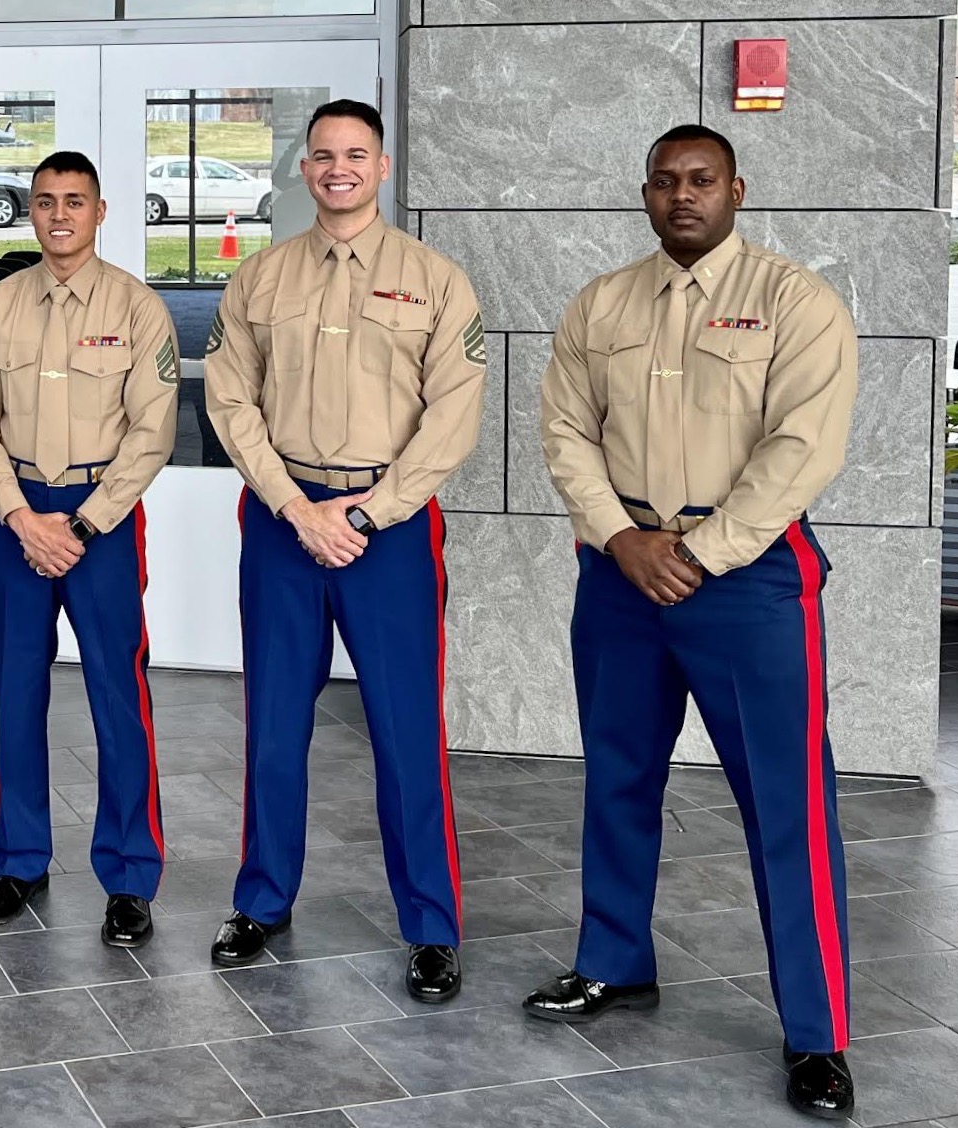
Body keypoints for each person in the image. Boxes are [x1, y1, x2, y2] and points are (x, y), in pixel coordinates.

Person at [529, 124, 858, 1120]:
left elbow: (802, 447)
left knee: (785, 806)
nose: (683, 197)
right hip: (620, 572)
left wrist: (699, 555)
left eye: (701, 181)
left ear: (734, 189)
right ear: (643, 194)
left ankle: (815, 1033)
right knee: (617, 779)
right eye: (665, 182)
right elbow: (561, 430)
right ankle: (612, 961)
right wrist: (617, 537)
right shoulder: (602, 304)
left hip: (747, 579)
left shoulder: (794, 303)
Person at [201, 99, 486, 1004]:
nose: (336, 169)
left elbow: (453, 416)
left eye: (354, 154)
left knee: (406, 731)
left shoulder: (435, 281)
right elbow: (228, 400)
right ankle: (261, 901)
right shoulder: (261, 279)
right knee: (274, 723)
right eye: (321, 155)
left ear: (382, 165)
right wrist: (292, 504)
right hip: (283, 523)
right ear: (302, 168)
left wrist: (368, 514)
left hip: (389, 530)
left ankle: (431, 926)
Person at [0, 151, 179, 948]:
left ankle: (127, 877)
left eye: (73, 201)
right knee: (15, 694)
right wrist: (19, 517)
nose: (57, 215)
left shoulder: (137, 307)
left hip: (100, 523)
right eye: (44, 201)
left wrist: (80, 525)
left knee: (119, 699)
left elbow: (152, 432)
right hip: (16, 518)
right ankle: (18, 862)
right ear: (30, 211)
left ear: (99, 211)